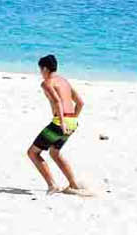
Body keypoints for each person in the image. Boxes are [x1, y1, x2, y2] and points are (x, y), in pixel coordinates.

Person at [26, 53, 91, 195]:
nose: (41, 74)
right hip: (72, 122)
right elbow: (80, 103)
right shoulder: (64, 81)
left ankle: (52, 185)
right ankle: (73, 184)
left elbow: (57, 102)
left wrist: (62, 122)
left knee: (32, 153)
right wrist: (71, 120)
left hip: (59, 123)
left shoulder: (47, 82)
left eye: (40, 70)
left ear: (44, 69)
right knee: (55, 153)